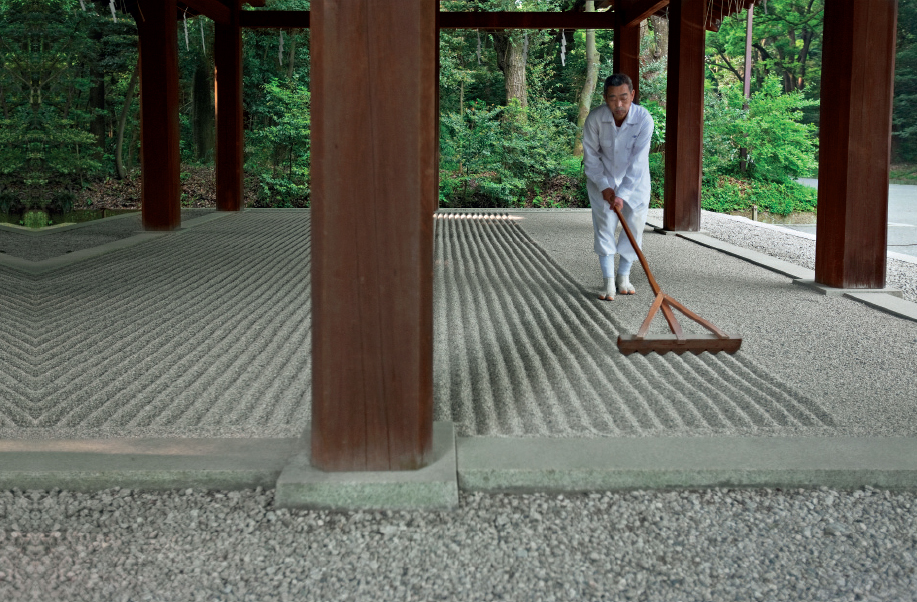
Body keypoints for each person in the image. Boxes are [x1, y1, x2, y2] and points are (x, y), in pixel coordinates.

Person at [582, 73, 654, 301]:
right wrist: (604, 186)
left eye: (624, 97)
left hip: (636, 182)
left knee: (633, 226)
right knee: (604, 226)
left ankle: (623, 277)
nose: (619, 104)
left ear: (632, 95)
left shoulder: (644, 119)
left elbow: (639, 161)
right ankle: (608, 282)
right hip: (601, 179)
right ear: (605, 98)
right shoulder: (595, 119)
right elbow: (591, 157)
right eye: (612, 98)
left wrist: (622, 194)